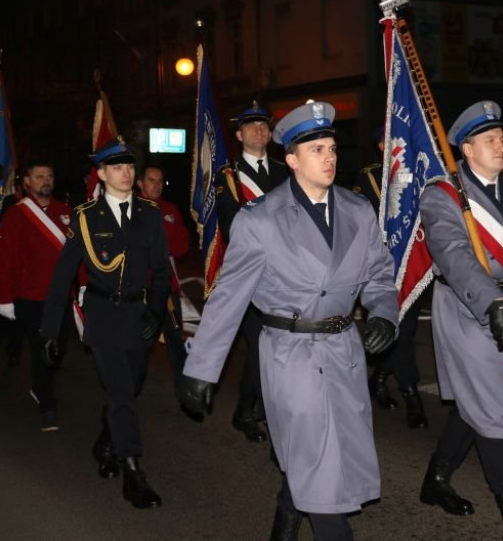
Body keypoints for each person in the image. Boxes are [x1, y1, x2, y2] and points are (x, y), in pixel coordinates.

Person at [178, 100, 398, 540]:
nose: (330, 157)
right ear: (292, 159)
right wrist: (200, 368)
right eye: (317, 150)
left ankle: (284, 524)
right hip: (292, 356)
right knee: (322, 475)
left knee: (329, 458)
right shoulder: (261, 221)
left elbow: (379, 274)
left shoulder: (357, 211)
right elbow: (228, 299)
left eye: (332, 148)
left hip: (345, 353)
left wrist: (383, 314)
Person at [416, 101, 503, 540]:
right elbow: (453, 257)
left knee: (485, 403)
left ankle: (435, 480)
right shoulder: (442, 196)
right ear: (466, 149)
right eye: (490, 140)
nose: (501, 146)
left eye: (502, 138)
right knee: (494, 414)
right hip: (470, 312)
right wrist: (491, 301)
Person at [40, 137, 171, 509]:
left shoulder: (149, 214)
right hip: (102, 315)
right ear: (101, 174)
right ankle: (132, 471)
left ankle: (106, 441)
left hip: (138, 315)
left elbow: (161, 271)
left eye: (130, 167)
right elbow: (63, 276)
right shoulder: (85, 217)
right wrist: (50, 330)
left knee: (131, 385)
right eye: (117, 167)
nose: (126, 174)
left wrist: (156, 312)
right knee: (120, 394)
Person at [215, 100, 290, 443]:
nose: (260, 131)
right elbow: (233, 228)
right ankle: (250, 410)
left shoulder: (285, 171)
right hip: (250, 276)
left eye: (264, 126)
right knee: (261, 345)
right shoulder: (226, 178)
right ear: (239, 134)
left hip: (287, 275)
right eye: (252, 126)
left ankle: (252, 406)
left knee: (280, 348)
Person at [352, 126, 428, 429]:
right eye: (388, 140)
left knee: (403, 332)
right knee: (401, 331)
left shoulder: (416, 175)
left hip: (412, 266)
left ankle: (379, 377)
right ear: (382, 145)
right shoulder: (369, 176)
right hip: (382, 271)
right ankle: (412, 394)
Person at [0, 160, 72, 431]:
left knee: (58, 348)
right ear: (27, 182)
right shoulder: (16, 215)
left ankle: (41, 387)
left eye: (49, 175)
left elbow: (78, 255)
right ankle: (47, 405)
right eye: (39, 176)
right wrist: (4, 297)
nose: (45, 180)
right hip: (31, 297)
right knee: (43, 351)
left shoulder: (66, 212)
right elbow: (3, 259)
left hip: (61, 298)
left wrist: (83, 286)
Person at [136, 165, 190, 383]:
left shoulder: (169, 210)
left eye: (160, 181)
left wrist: (156, 246)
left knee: (177, 339)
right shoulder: (131, 209)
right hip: (139, 288)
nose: (156, 185)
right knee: (140, 341)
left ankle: (185, 390)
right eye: (151, 180)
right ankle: (130, 388)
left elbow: (182, 246)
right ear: (140, 183)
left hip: (167, 287)